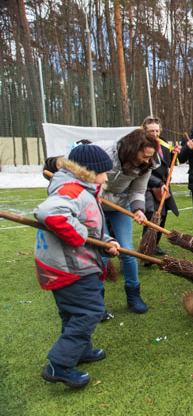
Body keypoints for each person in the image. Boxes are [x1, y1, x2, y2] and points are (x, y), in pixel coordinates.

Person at [34, 144, 120, 388]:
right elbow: (50, 214)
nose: (106, 177)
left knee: (73, 312)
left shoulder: (84, 192)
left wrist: (106, 242)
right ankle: (58, 365)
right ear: (91, 172)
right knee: (89, 311)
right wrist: (81, 236)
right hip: (69, 267)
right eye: (104, 172)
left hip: (69, 263)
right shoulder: (72, 191)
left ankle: (80, 351)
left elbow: (91, 226)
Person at [94, 129, 159, 314]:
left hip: (120, 206)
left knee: (127, 251)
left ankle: (133, 295)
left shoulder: (147, 165)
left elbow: (138, 191)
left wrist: (138, 209)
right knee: (103, 251)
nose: (147, 160)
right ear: (132, 149)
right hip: (95, 204)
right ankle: (97, 301)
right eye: (144, 156)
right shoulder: (104, 154)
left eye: (150, 157)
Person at [141, 116, 181, 262]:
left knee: (162, 214)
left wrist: (174, 153)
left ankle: (154, 245)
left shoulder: (162, 144)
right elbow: (143, 170)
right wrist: (157, 183)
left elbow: (167, 163)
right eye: (151, 131)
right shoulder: (141, 146)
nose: (155, 134)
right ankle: (146, 250)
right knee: (152, 214)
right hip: (147, 185)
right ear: (145, 131)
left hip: (163, 185)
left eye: (157, 131)